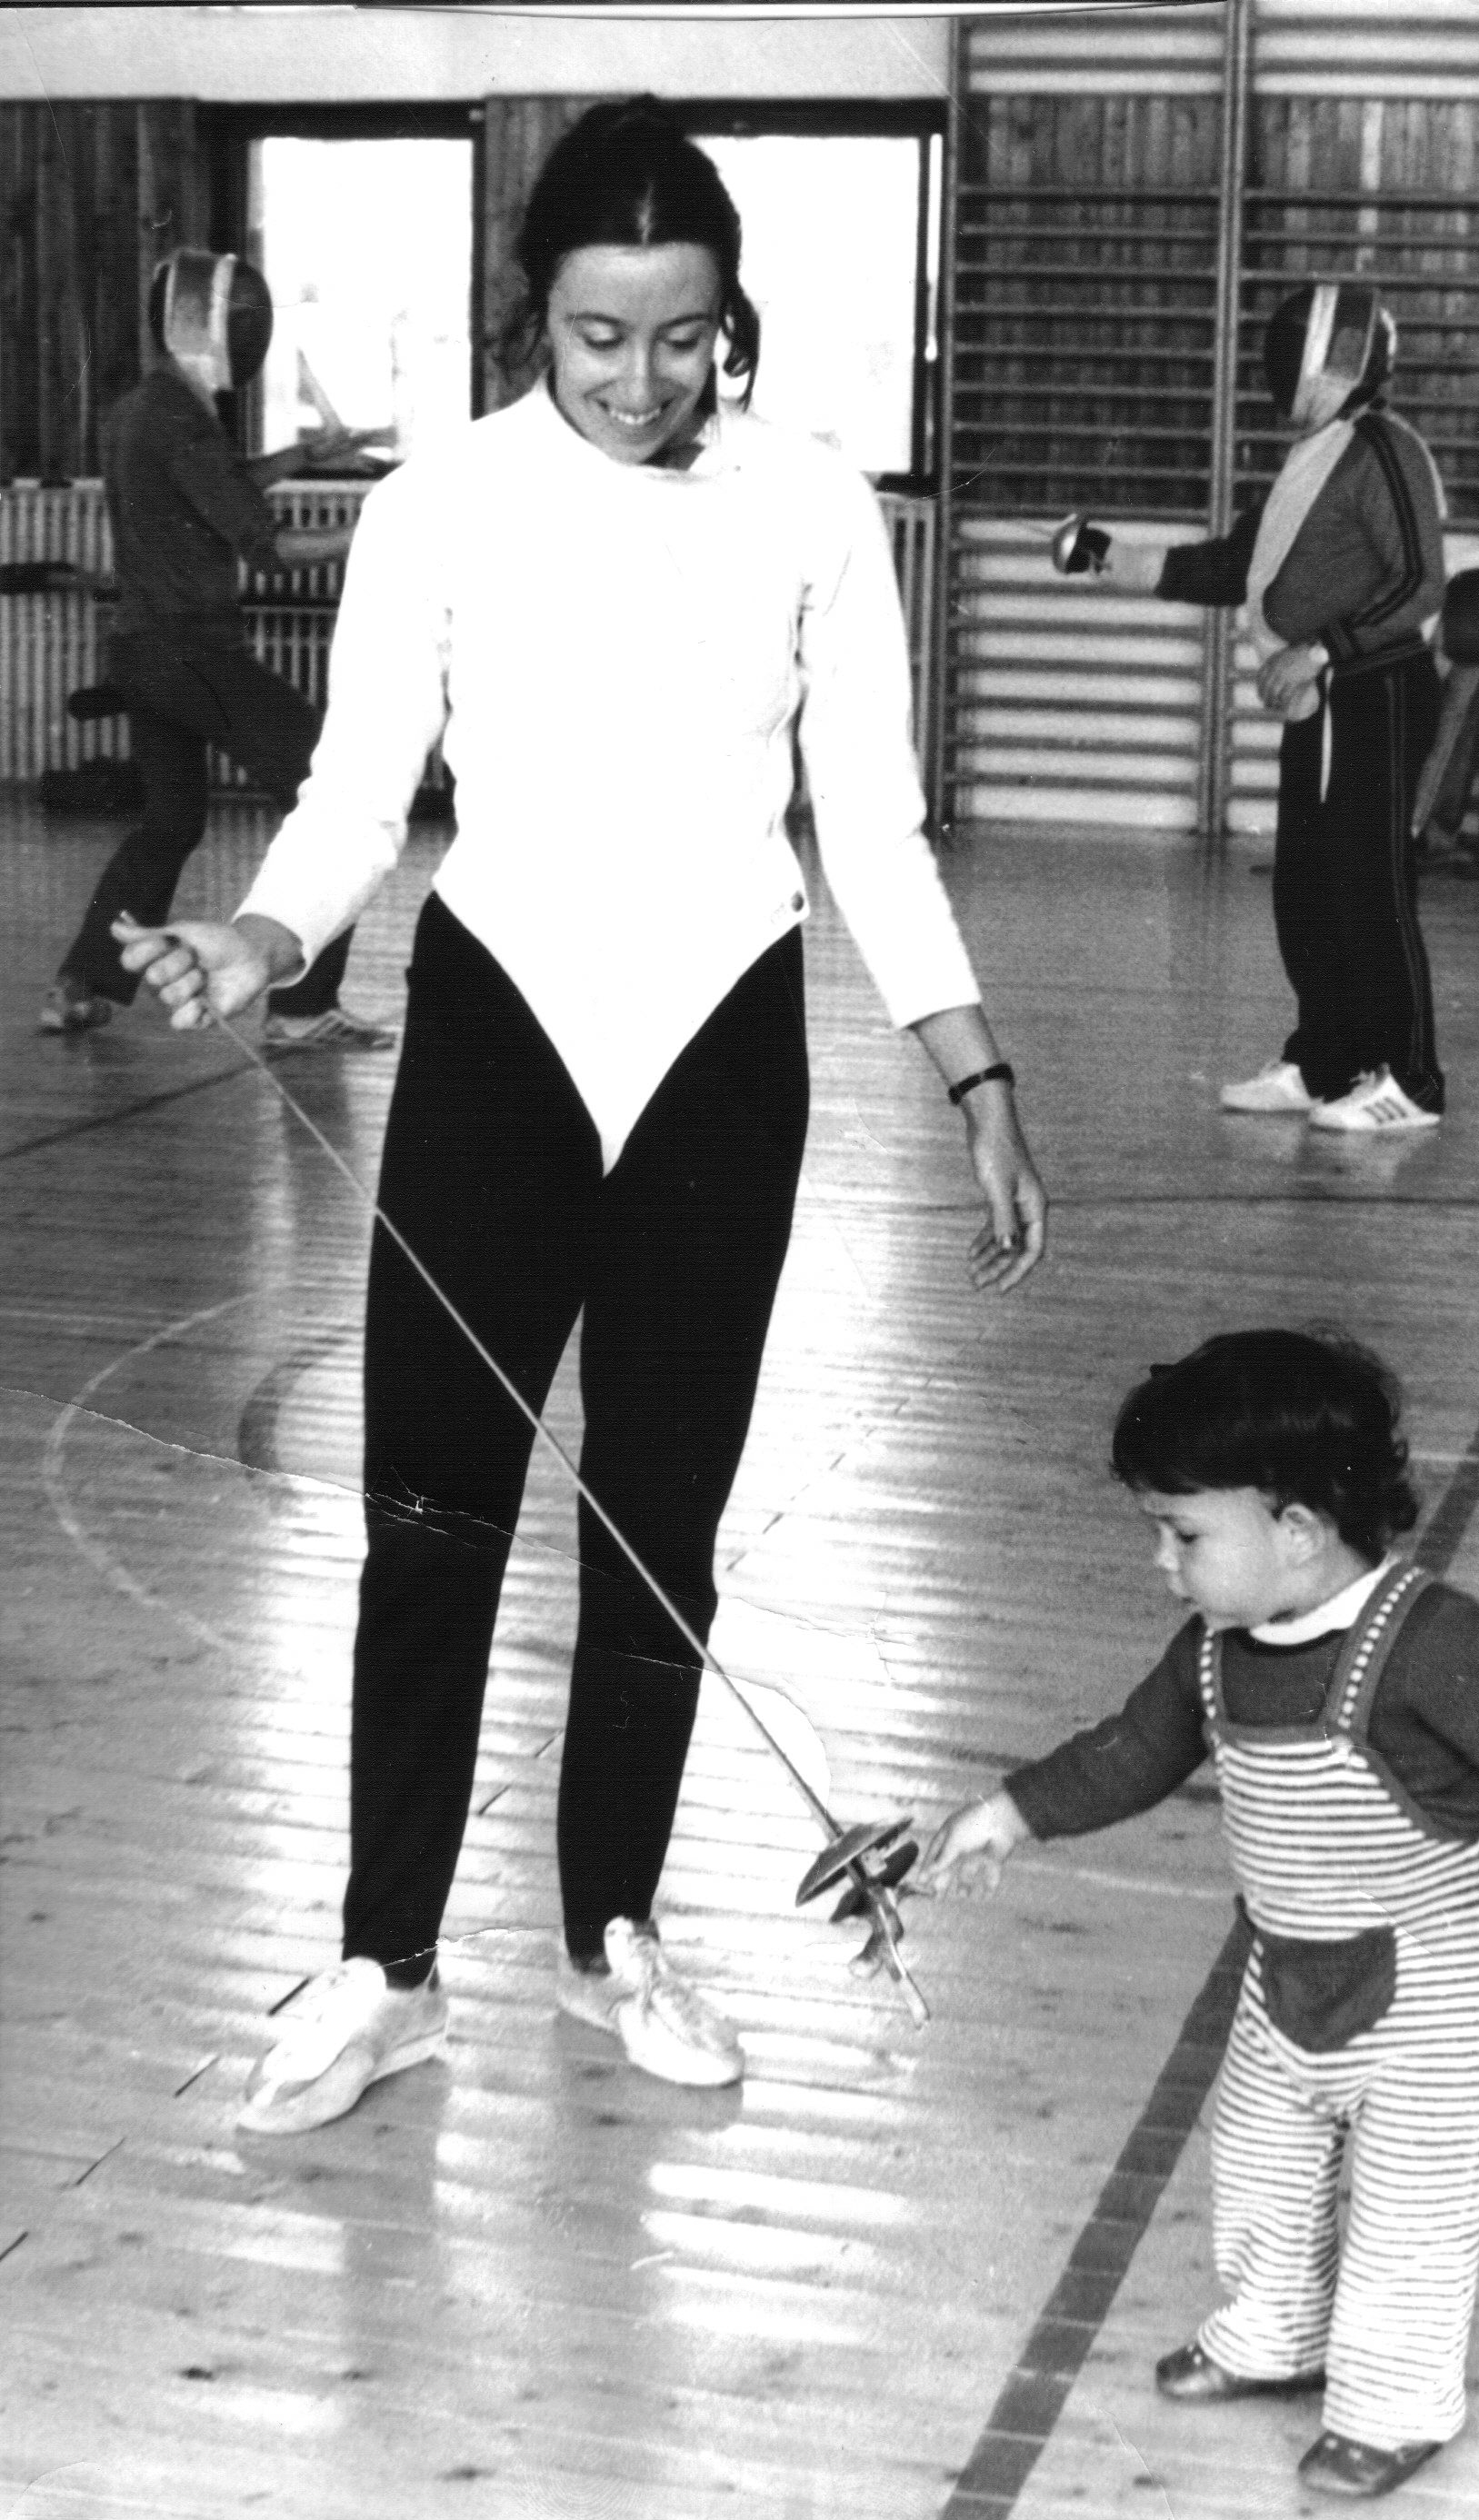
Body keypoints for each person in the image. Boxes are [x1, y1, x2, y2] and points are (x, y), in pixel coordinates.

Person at [119, 100, 1048, 2131]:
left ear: (732, 321)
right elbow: (361, 784)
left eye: (681, 336)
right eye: (597, 334)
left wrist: (971, 1069)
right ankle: (385, 1966)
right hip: (500, 1030)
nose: (639, 379)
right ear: (528, 311)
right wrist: (261, 937)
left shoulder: (815, 507)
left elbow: (871, 821)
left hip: (722, 1037)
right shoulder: (441, 501)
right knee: (430, 1513)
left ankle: (609, 1927)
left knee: (658, 1523)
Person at [921, 1329, 1479, 2500]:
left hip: (1433, 1994)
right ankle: (1273, 2333)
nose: (1161, 1562)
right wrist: (1010, 1812)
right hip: (1287, 1975)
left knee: (1408, 2210)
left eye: (1182, 1534)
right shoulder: (1213, 1652)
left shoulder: (1426, 1639)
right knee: (1259, 2159)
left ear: (1297, 1530)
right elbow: (1131, 1752)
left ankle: (1393, 2405)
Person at [1052, 281, 1448, 1133]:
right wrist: (1111, 558)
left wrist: (1321, 651)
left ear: (1332, 359)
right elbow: (1235, 566)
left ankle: (1412, 1081)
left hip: (1372, 693)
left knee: (1369, 886)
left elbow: (1421, 582)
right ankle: (1327, 1060)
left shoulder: (1384, 449)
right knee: (1307, 888)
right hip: (1322, 701)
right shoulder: (1315, 454)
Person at [43, 248, 393, 1049]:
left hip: (144, 654)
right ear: (223, 327)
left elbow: (212, 488)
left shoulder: (145, 407)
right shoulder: (178, 416)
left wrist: (304, 456)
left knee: (169, 820)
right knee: (333, 796)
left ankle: (80, 985)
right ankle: (302, 1010)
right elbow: (265, 546)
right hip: (194, 656)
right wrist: (377, 524)